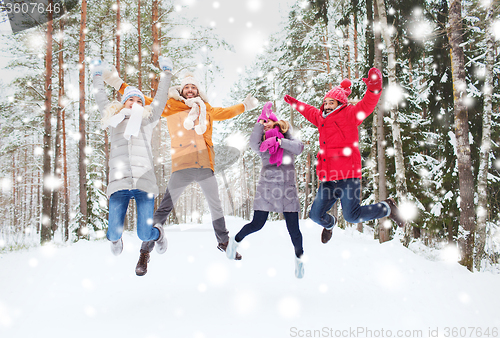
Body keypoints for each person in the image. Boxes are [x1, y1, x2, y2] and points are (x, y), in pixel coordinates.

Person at [103, 68, 258, 276]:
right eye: (187, 87)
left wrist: (244, 106)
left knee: (216, 206)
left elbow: (226, 112)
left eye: (194, 86)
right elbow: (144, 99)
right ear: (182, 90)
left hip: (204, 164)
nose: (190, 89)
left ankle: (224, 242)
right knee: (164, 208)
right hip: (182, 165)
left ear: (198, 91)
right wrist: (117, 83)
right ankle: (145, 251)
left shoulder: (207, 109)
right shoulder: (170, 107)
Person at [283, 68, 405, 244]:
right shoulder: (321, 118)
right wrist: (294, 103)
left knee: (352, 216)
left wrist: (374, 89)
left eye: (331, 102)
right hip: (328, 178)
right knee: (315, 215)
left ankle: (387, 207)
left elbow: (367, 104)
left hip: (348, 176)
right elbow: (308, 110)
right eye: (325, 102)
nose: (327, 105)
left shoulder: (350, 114)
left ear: (340, 102)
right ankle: (330, 224)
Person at [90, 56, 173, 256]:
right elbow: (100, 96)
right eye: (130, 100)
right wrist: (97, 74)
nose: (134, 103)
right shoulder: (114, 119)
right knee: (112, 232)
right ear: (123, 102)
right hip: (119, 183)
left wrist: (167, 73)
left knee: (145, 234)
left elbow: (160, 99)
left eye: (139, 101)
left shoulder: (147, 120)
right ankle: (115, 239)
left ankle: (158, 235)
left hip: (144, 182)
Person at [226, 102, 305, 279]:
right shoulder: (263, 146)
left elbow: (299, 147)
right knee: (257, 224)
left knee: (294, 229)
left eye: (268, 121)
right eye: (263, 122)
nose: (266, 124)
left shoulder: (287, 140)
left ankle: (299, 260)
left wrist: (279, 140)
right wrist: (259, 124)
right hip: (267, 188)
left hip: (287, 190)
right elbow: (253, 143)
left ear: (276, 122)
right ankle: (234, 242)